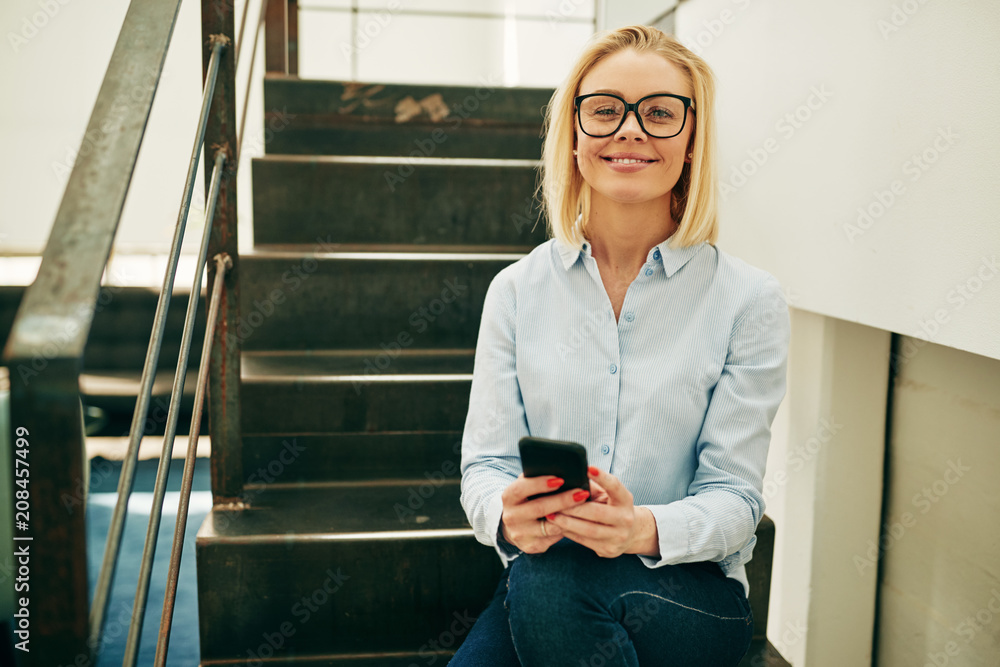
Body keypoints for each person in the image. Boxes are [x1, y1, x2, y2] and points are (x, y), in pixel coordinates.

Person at [452, 24, 790, 667]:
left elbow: (736, 499)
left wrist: (640, 529)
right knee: (547, 578)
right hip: (544, 576)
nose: (629, 129)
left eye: (660, 113)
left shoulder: (749, 300)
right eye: (605, 109)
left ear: (692, 142)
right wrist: (506, 516)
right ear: (574, 135)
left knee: (548, 581)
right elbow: (485, 466)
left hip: (688, 595)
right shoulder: (516, 291)